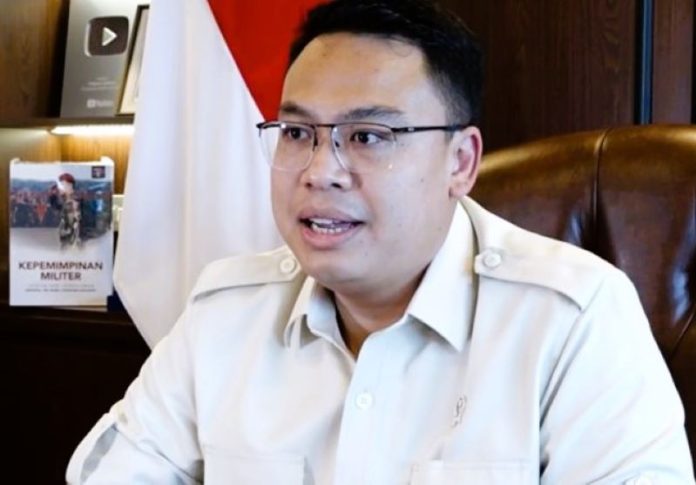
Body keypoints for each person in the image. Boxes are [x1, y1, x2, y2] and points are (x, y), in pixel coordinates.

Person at [67, 0, 694, 483]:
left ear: (460, 161)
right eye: (297, 133)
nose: (320, 171)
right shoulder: (225, 312)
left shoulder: (573, 320)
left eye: (367, 136)